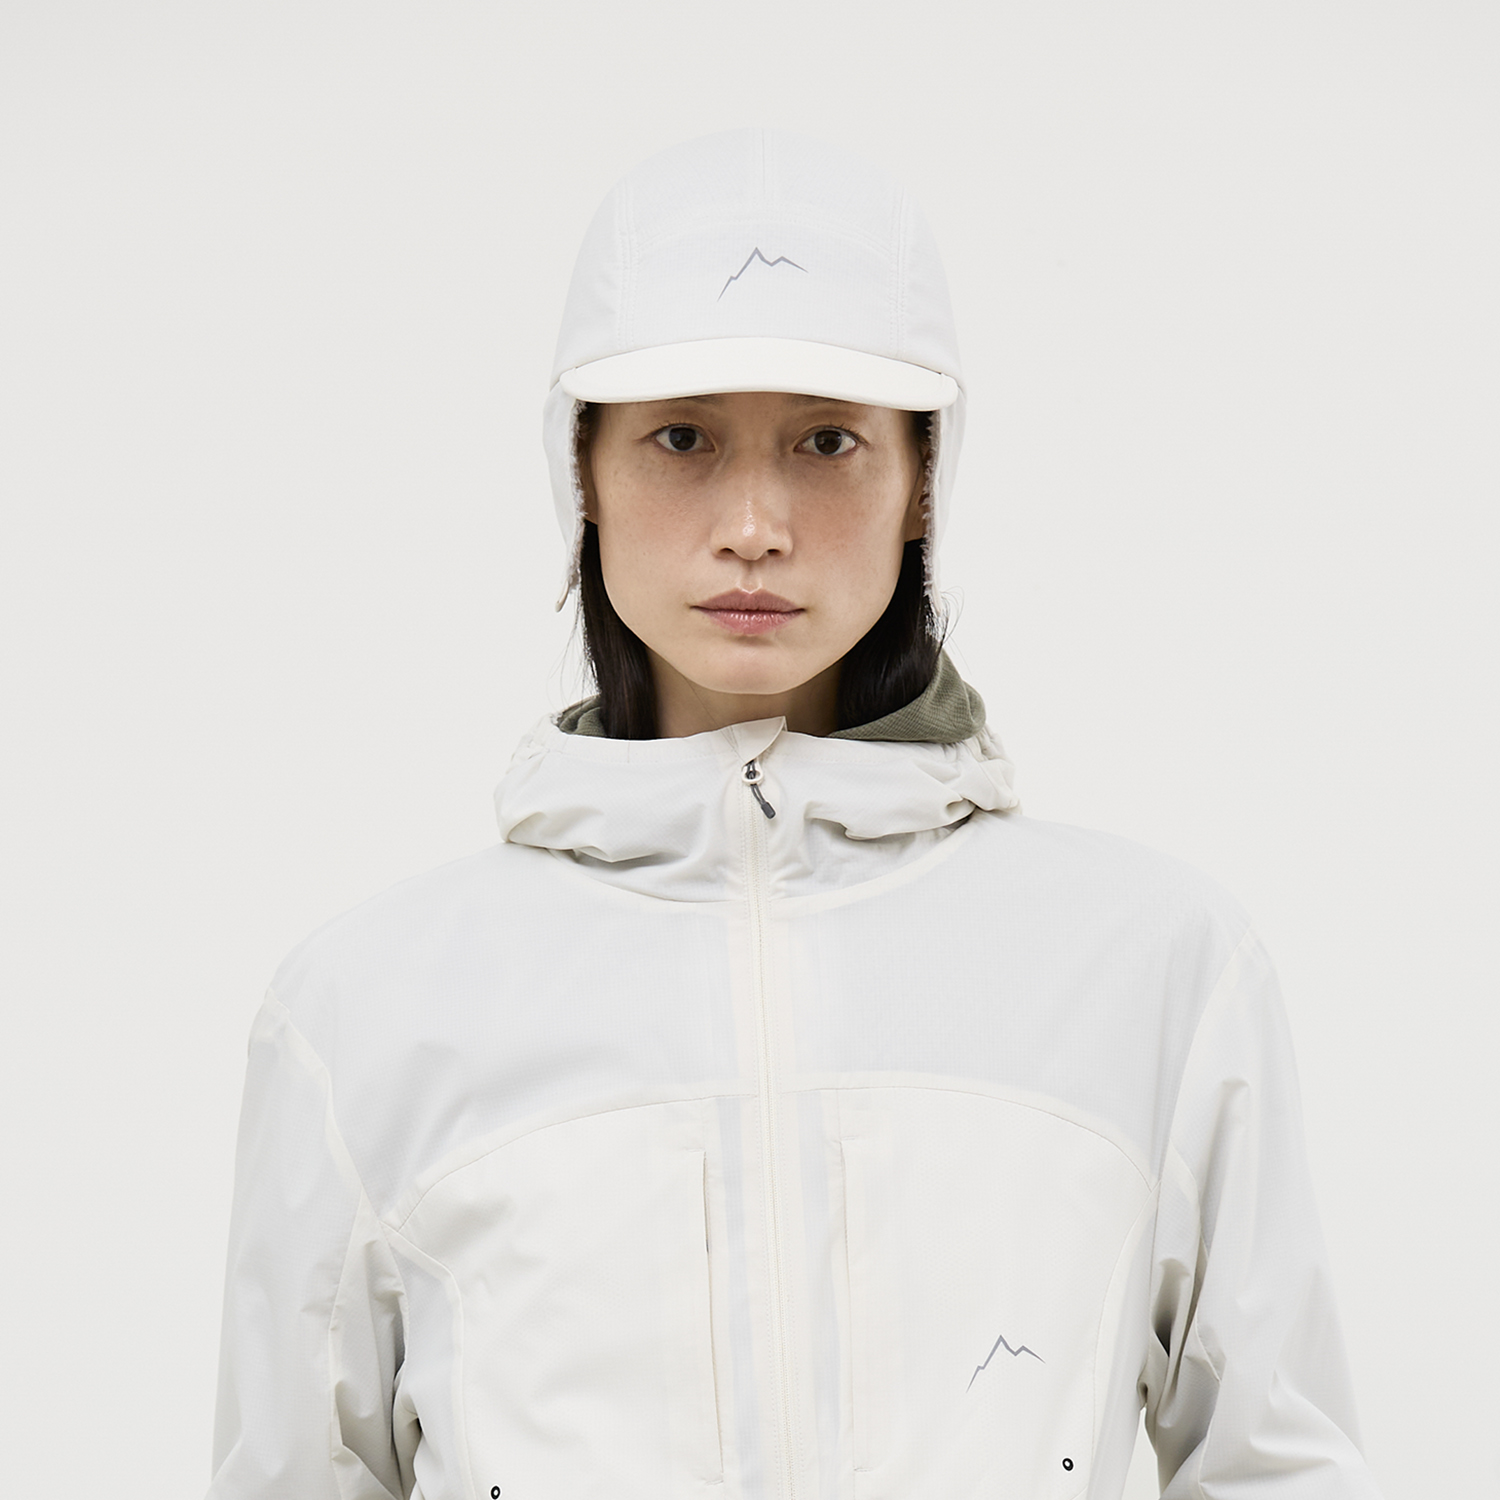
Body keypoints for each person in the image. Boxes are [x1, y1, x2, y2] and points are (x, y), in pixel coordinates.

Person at [207, 129, 1382, 1499]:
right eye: (682, 438)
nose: (755, 524)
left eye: (828, 441)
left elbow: (1280, 1467)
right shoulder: (367, 1009)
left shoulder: (1155, 967)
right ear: (581, 471)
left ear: (923, 479)